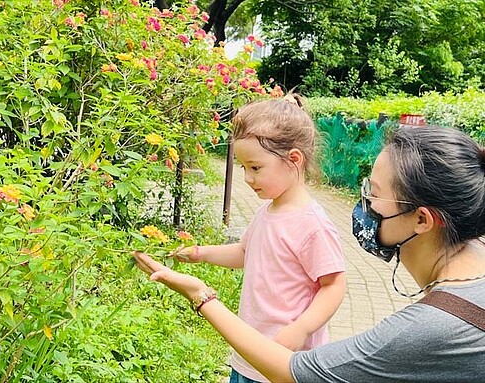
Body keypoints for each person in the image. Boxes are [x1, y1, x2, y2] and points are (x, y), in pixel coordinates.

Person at [134, 125, 485, 382]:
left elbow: (295, 373)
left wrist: (201, 296)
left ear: (422, 219)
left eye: (373, 194)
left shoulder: (425, 330)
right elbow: (246, 251)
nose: (364, 205)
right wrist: (201, 253)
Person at [172, 94, 346, 383]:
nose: (247, 178)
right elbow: (244, 252)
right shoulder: (268, 210)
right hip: (248, 354)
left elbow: (334, 285)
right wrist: (199, 253)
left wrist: (301, 328)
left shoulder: (312, 225)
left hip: (286, 361)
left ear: (293, 160)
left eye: (255, 167)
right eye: (243, 167)